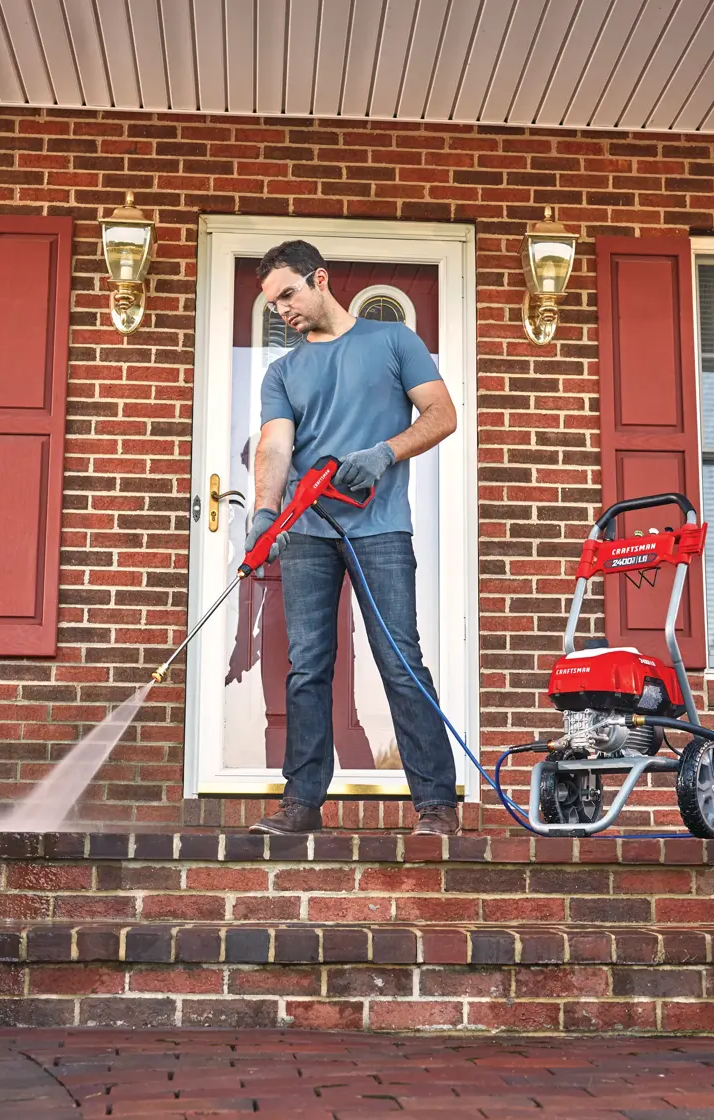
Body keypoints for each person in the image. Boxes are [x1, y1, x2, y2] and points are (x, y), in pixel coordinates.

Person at [245, 240, 460, 836]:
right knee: (308, 665)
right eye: (272, 303)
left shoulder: (392, 342)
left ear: (319, 279)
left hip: (381, 528)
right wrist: (265, 511)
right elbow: (276, 443)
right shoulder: (283, 371)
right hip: (309, 532)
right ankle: (302, 803)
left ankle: (436, 805)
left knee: (399, 658)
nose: (282, 310)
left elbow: (442, 415)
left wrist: (385, 453)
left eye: (288, 294)